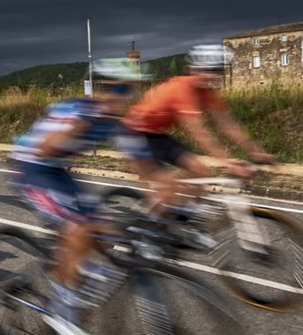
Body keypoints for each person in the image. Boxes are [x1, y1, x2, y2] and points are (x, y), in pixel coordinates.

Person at [9, 57, 151, 335]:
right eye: (115, 89)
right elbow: (46, 148)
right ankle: (60, 314)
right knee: (78, 231)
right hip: (31, 167)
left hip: (58, 172)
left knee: (106, 234)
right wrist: (82, 126)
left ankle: (56, 271)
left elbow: (145, 168)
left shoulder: (120, 124)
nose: (121, 97)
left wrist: (170, 197)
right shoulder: (76, 110)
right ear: (101, 89)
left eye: (128, 90)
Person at [118, 44, 278, 219]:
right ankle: (152, 229)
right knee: (168, 184)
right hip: (134, 133)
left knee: (200, 169)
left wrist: (256, 152)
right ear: (194, 69)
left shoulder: (208, 92)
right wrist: (229, 164)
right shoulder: (181, 89)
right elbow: (199, 132)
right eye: (207, 70)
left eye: (217, 71)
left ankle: (183, 222)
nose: (212, 76)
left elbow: (229, 124)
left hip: (157, 134)